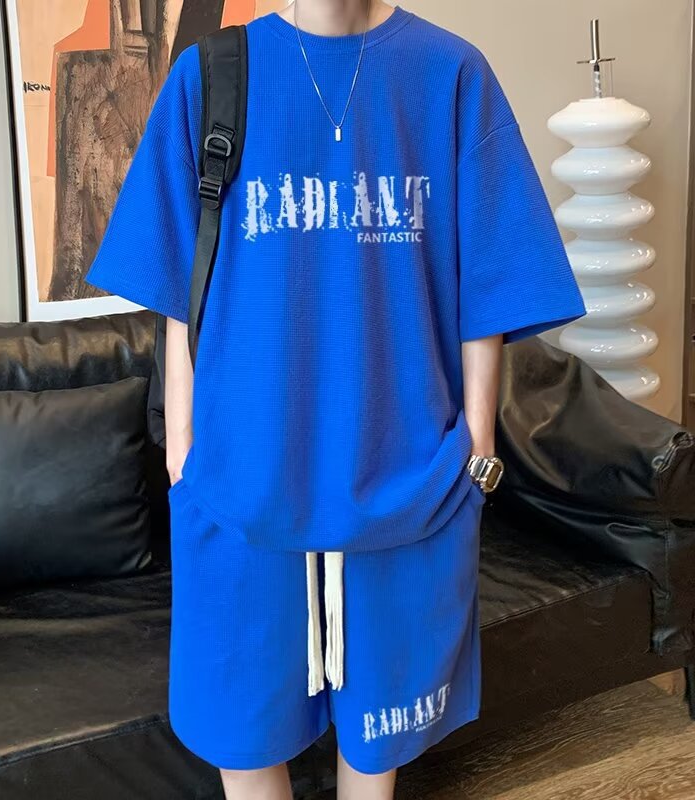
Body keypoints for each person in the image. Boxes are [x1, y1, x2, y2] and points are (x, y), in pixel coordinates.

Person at [84, 0, 587, 797]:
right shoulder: (211, 75)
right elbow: (180, 286)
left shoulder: (451, 74)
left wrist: (478, 443)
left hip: (407, 481)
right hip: (239, 480)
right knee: (245, 742)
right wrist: (183, 448)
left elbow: (491, 274)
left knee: (377, 753)